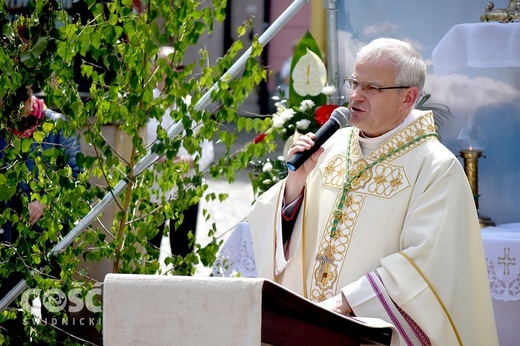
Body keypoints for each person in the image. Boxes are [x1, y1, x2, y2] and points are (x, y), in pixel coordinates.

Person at [248, 38, 498, 345]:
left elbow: (426, 263)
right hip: (307, 322)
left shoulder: (435, 167)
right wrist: (295, 184)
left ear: (408, 98)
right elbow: (277, 226)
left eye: (372, 88)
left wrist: (344, 304)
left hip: (362, 330)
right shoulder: (331, 146)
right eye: (354, 82)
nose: (355, 96)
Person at [147, 46, 214, 264]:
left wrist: (189, 161)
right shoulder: (143, 107)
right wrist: (154, 158)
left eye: (179, 67)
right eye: (169, 67)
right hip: (151, 193)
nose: (175, 72)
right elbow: (131, 149)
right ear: (154, 70)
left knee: (183, 259)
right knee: (147, 258)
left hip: (185, 192)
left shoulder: (193, 107)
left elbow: (208, 151)